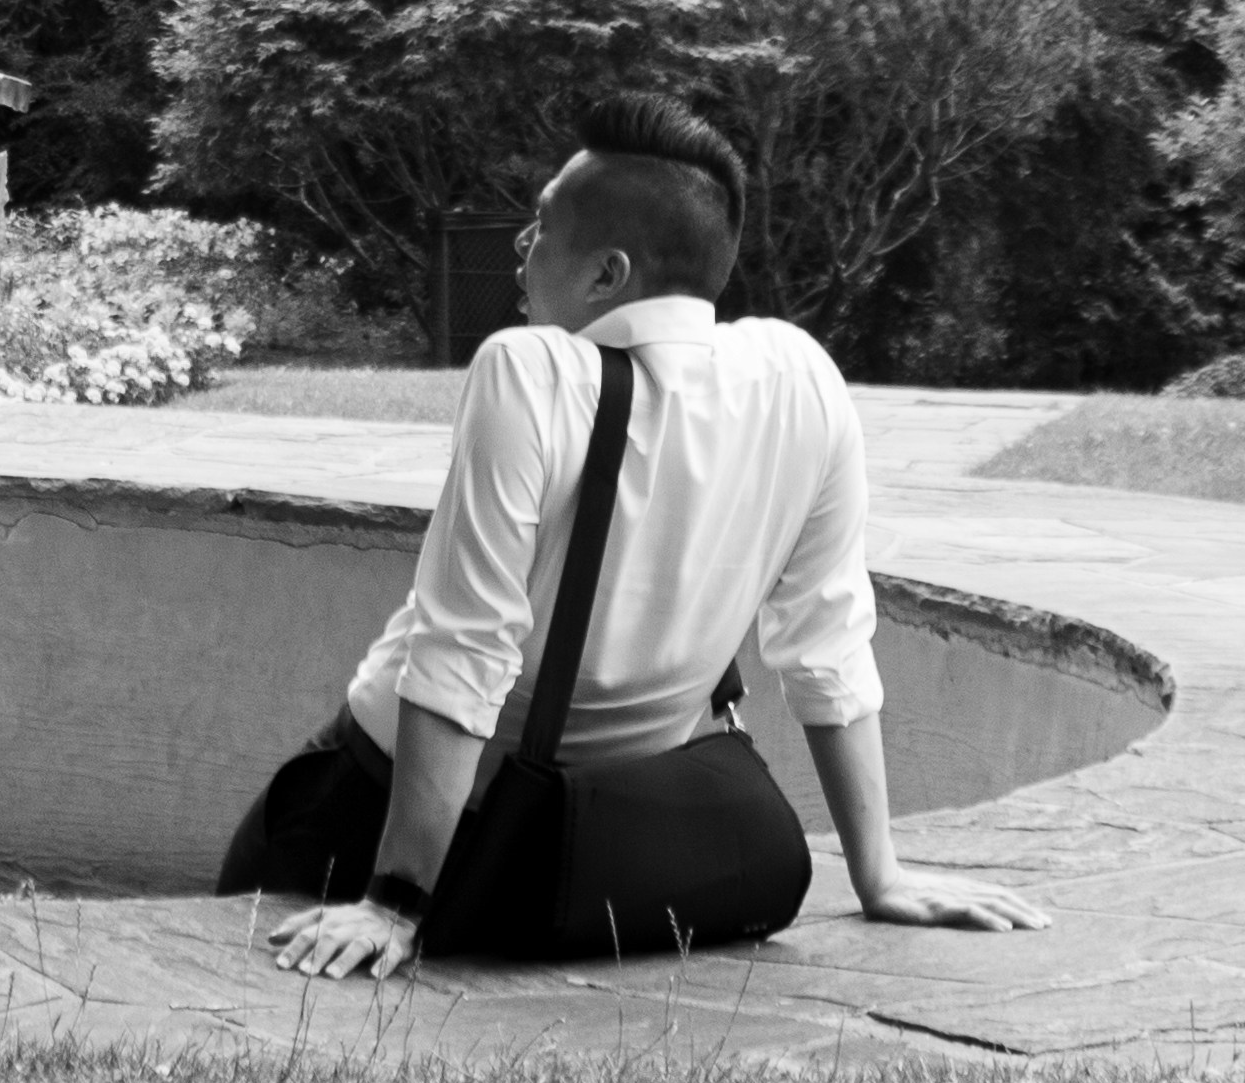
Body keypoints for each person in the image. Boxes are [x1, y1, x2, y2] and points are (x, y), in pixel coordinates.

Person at [236, 92, 1060, 977]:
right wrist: (878, 872)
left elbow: (462, 650)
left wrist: (392, 902)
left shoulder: (529, 372)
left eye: (541, 225)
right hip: (597, 851)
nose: (522, 246)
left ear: (606, 274)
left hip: (371, 815)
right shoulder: (800, 377)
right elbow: (827, 641)